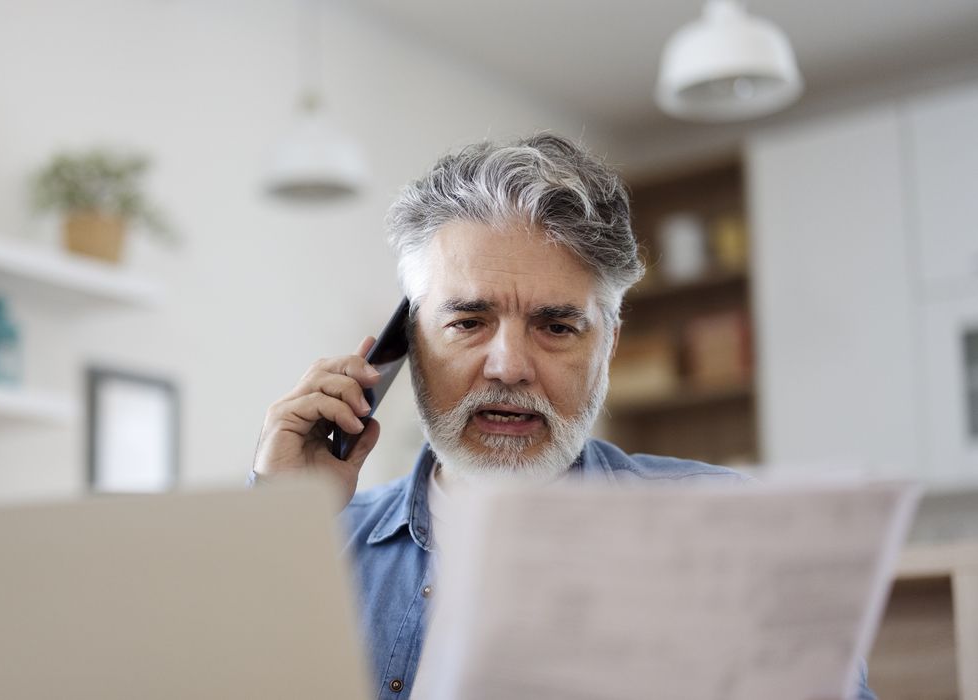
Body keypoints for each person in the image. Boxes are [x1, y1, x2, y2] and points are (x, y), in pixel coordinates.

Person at [250, 134, 874, 700]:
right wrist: (281, 524)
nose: (509, 366)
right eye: (467, 322)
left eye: (556, 326)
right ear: (408, 340)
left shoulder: (733, 529)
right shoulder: (317, 540)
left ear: (608, 344)